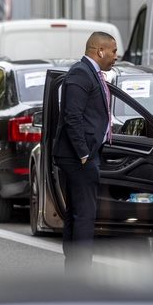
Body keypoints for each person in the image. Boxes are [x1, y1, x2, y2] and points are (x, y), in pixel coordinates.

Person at [51, 31, 118, 270]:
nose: (116, 56)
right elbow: (73, 116)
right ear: (100, 51)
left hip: (82, 154)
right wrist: (83, 153)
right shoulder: (81, 73)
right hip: (78, 157)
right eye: (113, 51)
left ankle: (74, 269)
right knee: (84, 215)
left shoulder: (91, 74)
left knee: (77, 213)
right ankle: (81, 272)